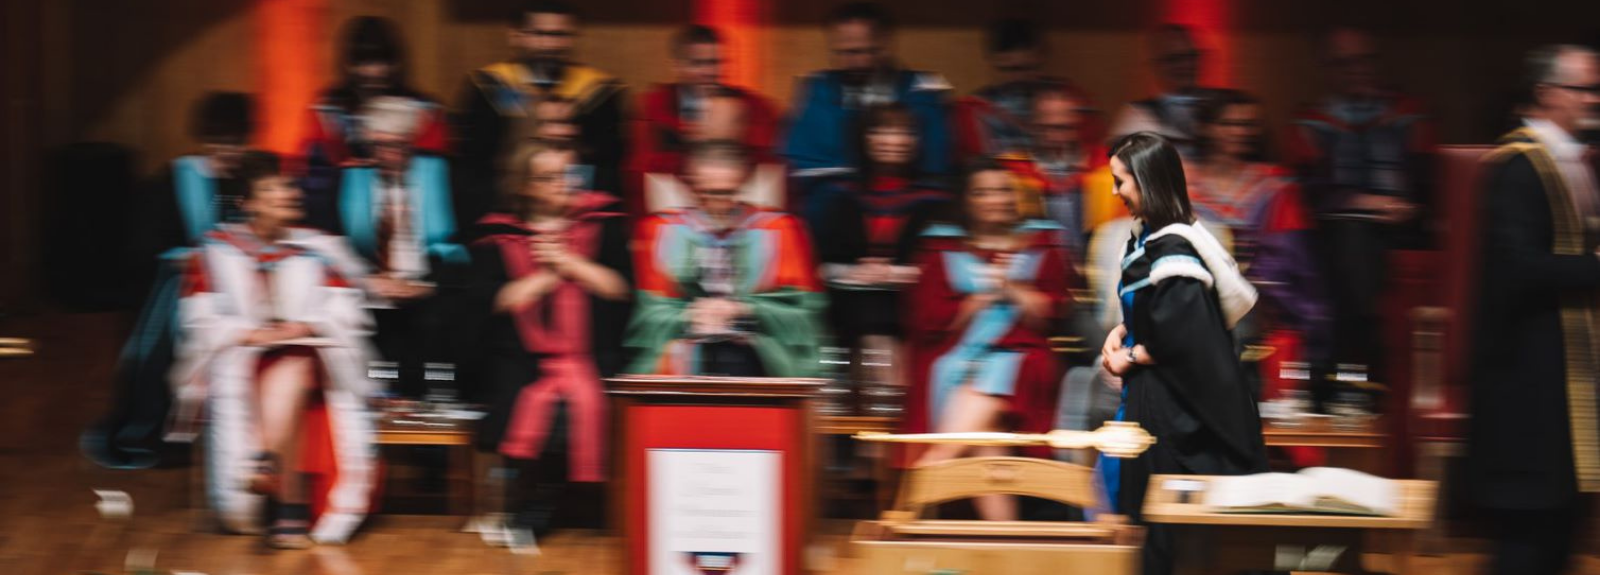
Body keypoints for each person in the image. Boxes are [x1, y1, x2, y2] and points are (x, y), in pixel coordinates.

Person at [170, 152, 377, 549]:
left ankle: (265, 463)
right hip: (241, 355)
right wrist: (249, 334)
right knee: (285, 368)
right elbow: (198, 318)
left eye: (287, 186)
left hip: (310, 353)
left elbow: (346, 310)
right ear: (248, 203)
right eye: (272, 189)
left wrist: (305, 326)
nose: (286, 194)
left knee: (295, 363)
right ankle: (290, 509)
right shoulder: (214, 251)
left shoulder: (317, 248)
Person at [1100, 133, 1267, 575]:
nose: (1115, 192)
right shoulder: (1149, 238)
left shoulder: (1172, 247)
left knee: (1172, 538)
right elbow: (1159, 314)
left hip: (1177, 410)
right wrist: (1122, 329)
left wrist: (1129, 357)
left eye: (1121, 182)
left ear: (1149, 181)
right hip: (1156, 401)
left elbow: (1186, 339)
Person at [1468, 44, 1600, 575]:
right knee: (1529, 533)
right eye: (1584, 89)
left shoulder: (1568, 160)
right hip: (1528, 372)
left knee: (1560, 525)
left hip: (1563, 369)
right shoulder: (1518, 166)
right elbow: (1516, 267)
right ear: (1546, 93)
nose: (1594, 99)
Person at [466, 143, 631, 542]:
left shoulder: (602, 221)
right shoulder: (498, 234)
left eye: (569, 173)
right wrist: (546, 275)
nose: (564, 184)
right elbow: (499, 300)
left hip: (593, 355)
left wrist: (568, 262)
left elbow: (620, 289)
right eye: (550, 177)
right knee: (533, 398)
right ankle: (528, 500)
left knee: (577, 400)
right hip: (524, 359)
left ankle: (538, 502)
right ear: (524, 187)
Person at [81, 92, 255, 469]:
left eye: (237, 141)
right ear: (205, 138)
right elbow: (145, 244)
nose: (229, 150)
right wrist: (194, 260)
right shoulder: (175, 178)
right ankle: (161, 434)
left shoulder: (250, 179)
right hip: (179, 285)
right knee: (166, 338)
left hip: (238, 287)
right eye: (220, 141)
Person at [902, 158, 1074, 520]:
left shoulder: (1042, 245)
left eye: (1003, 189)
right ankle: (1006, 537)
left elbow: (1055, 314)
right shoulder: (941, 250)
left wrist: (1008, 287)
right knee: (987, 440)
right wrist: (976, 300)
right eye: (984, 191)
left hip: (1020, 359)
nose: (996, 199)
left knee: (954, 436)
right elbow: (927, 321)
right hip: (959, 360)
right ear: (967, 201)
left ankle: (907, 510)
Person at [1287, 27, 1435, 380]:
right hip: (1341, 229)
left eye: (1366, 60)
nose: (1358, 69)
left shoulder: (1408, 113)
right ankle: (1366, 365)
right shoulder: (1311, 122)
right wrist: (1369, 203)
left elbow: (1430, 177)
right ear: (1327, 68)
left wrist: (1412, 206)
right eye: (1345, 63)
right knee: (1350, 246)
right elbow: (1310, 190)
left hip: (1406, 225)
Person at [626, 140, 826, 377]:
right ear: (691, 185)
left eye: (727, 193)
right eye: (707, 193)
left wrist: (744, 308)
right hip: (684, 351)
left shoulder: (780, 230)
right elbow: (650, 312)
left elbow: (803, 311)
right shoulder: (661, 230)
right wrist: (689, 314)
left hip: (758, 354)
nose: (718, 203)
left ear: (742, 182)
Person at [1187, 91, 1330, 403]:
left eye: (1248, 125)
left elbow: (1292, 259)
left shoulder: (1276, 187)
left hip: (1257, 299)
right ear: (1207, 128)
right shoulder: (1183, 183)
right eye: (1229, 124)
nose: (1240, 133)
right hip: (1189, 292)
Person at [809, 104, 949, 392]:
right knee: (867, 312)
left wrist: (893, 274)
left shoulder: (938, 200)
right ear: (864, 138)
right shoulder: (837, 196)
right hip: (847, 303)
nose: (893, 141)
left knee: (877, 318)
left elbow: (949, 266)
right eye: (881, 131)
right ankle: (888, 403)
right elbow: (817, 264)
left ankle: (886, 405)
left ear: (917, 141)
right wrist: (856, 273)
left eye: (904, 132)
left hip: (916, 303)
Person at [335, 96, 466, 398]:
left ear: (411, 142)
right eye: (379, 146)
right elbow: (337, 244)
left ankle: (434, 417)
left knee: (435, 337)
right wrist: (368, 280)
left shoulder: (442, 174)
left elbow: (465, 243)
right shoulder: (352, 179)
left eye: (396, 145)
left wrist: (428, 285)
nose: (387, 154)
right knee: (374, 349)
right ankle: (383, 411)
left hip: (433, 287)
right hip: (373, 290)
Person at [455, 0, 625, 228]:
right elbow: (474, 167)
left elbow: (605, 164)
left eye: (560, 35)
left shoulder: (597, 92)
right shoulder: (490, 88)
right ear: (516, 35)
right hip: (502, 214)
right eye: (539, 34)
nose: (550, 45)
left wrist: (571, 204)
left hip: (575, 216)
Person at [300, 16, 449, 231]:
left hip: (412, 209)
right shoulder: (328, 109)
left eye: (381, 62)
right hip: (340, 213)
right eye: (362, 62)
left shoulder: (424, 109)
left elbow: (431, 167)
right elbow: (318, 170)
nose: (372, 71)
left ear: (396, 63)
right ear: (347, 64)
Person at [782, 2, 951, 181]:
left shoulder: (922, 89)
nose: (857, 62)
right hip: (830, 201)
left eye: (866, 51)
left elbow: (935, 166)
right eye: (846, 53)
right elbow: (802, 168)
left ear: (886, 43)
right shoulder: (816, 88)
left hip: (911, 201)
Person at [627, 25, 780, 216]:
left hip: (737, 197)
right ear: (677, 65)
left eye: (715, 63)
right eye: (698, 64)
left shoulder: (753, 106)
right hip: (674, 201)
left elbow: (768, 162)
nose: (709, 72)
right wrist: (693, 147)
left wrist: (730, 139)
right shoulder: (656, 105)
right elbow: (640, 168)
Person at [954, 18, 1103, 163]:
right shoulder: (974, 108)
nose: (1019, 77)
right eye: (1009, 69)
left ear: (1041, 58)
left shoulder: (1071, 100)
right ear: (993, 61)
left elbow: (1092, 157)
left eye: (1028, 68)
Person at [994, 86, 1112, 259]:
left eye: (1064, 128)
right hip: (1033, 263)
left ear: (1077, 122)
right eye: (1045, 128)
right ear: (1031, 125)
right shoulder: (1010, 168)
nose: (1056, 137)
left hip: (1101, 260)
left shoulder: (1107, 166)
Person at [1106, 24, 1228, 158]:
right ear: (1155, 65)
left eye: (1191, 56)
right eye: (1175, 59)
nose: (1186, 65)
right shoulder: (1136, 115)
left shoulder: (1223, 106)